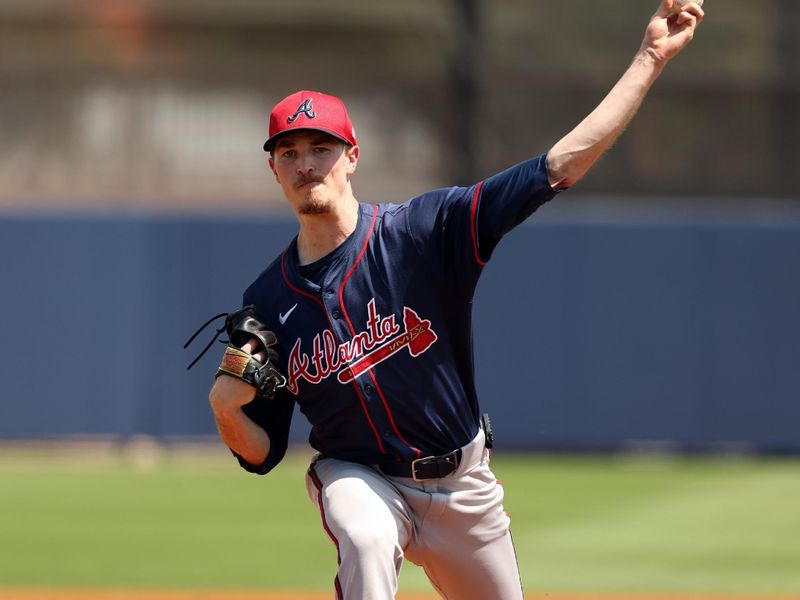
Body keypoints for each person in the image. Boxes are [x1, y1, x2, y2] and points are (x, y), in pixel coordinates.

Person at [207, 1, 704, 598]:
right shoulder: (268, 299)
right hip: (359, 476)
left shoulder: (422, 232)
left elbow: (556, 168)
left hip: (461, 481)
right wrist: (227, 412)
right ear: (274, 169)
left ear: (352, 157)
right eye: (289, 152)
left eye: (321, 147)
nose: (305, 164)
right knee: (363, 541)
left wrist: (649, 58)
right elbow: (262, 454)